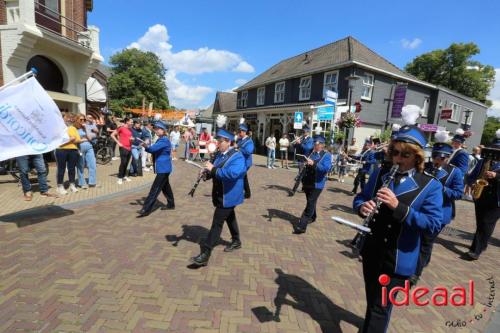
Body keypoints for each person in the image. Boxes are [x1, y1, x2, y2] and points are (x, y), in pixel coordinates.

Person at [353, 124, 443, 333]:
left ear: (417, 157)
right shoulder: (380, 174)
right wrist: (361, 207)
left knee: (380, 307)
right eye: (394, 152)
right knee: (373, 301)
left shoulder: (430, 185)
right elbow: (361, 197)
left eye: (405, 154)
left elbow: (433, 223)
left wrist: (398, 207)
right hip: (372, 250)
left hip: (399, 257)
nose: (398, 159)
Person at [190, 127, 247, 267]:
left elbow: (231, 174)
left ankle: (205, 253)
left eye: (220, 141)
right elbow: (214, 171)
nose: (217, 144)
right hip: (220, 193)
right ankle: (236, 240)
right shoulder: (220, 154)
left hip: (229, 195)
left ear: (228, 142)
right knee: (230, 216)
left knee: (217, 223)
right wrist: (205, 174)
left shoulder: (237, 156)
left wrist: (213, 169)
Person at [413, 130, 464, 283]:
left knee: (427, 241)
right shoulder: (425, 166)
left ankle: (416, 273)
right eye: (435, 156)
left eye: (441, 157)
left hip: (440, 213)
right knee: (417, 238)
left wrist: (440, 189)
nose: (437, 160)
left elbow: (458, 193)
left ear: (447, 158)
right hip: (421, 209)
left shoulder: (454, 172)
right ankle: (421, 261)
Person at [465, 129, 500, 260]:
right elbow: (471, 175)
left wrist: (496, 175)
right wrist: (472, 183)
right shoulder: (483, 160)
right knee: (481, 224)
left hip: (496, 199)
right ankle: (481, 244)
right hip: (481, 196)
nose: (495, 150)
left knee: (486, 223)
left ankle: (475, 250)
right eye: (494, 147)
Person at [293, 133, 332, 234]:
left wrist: (314, 164)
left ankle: (302, 226)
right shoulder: (310, 152)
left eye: (316, 143)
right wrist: (298, 143)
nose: (314, 144)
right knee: (311, 201)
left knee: (310, 202)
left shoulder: (326, 155)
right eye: (314, 142)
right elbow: (302, 150)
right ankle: (313, 216)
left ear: (322, 145)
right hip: (307, 181)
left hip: (317, 184)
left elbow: (326, 169)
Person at [137, 121, 175, 217]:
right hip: (164, 168)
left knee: (155, 189)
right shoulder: (161, 139)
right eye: (155, 129)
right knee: (166, 187)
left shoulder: (164, 140)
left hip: (163, 168)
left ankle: (146, 209)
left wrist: (145, 146)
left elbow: (152, 149)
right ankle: (171, 204)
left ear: (163, 130)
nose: (156, 131)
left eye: (158, 129)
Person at [55, 113, 82, 195]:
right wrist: (70, 139)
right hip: (61, 150)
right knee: (61, 168)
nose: (69, 119)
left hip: (73, 150)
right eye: (67, 118)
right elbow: (58, 141)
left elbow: (78, 140)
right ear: (62, 119)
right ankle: (60, 186)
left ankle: (72, 185)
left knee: (72, 168)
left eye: (71, 118)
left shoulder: (73, 128)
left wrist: (69, 139)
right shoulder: (58, 128)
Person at [76, 115, 98, 189]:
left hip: (89, 147)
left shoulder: (86, 127)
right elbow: (75, 140)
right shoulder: (75, 128)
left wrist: (86, 129)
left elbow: (90, 138)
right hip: (80, 148)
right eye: (81, 119)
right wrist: (84, 139)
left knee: (92, 165)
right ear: (77, 120)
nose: (83, 121)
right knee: (81, 165)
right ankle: (81, 182)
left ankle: (92, 182)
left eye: (84, 119)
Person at [111, 118, 133, 184]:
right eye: (131, 122)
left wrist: (132, 139)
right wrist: (118, 142)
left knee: (127, 163)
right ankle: (120, 177)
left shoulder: (130, 129)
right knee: (123, 162)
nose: (132, 123)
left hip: (129, 148)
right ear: (127, 122)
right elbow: (112, 135)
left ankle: (124, 176)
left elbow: (129, 138)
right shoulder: (121, 128)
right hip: (123, 148)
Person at [237, 120, 254, 199]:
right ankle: (247, 193)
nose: (239, 133)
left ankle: (246, 193)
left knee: (240, 177)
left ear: (244, 132)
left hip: (246, 162)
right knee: (243, 177)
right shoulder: (240, 140)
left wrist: (238, 148)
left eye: (240, 131)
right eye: (239, 131)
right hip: (240, 162)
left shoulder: (249, 141)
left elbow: (248, 151)